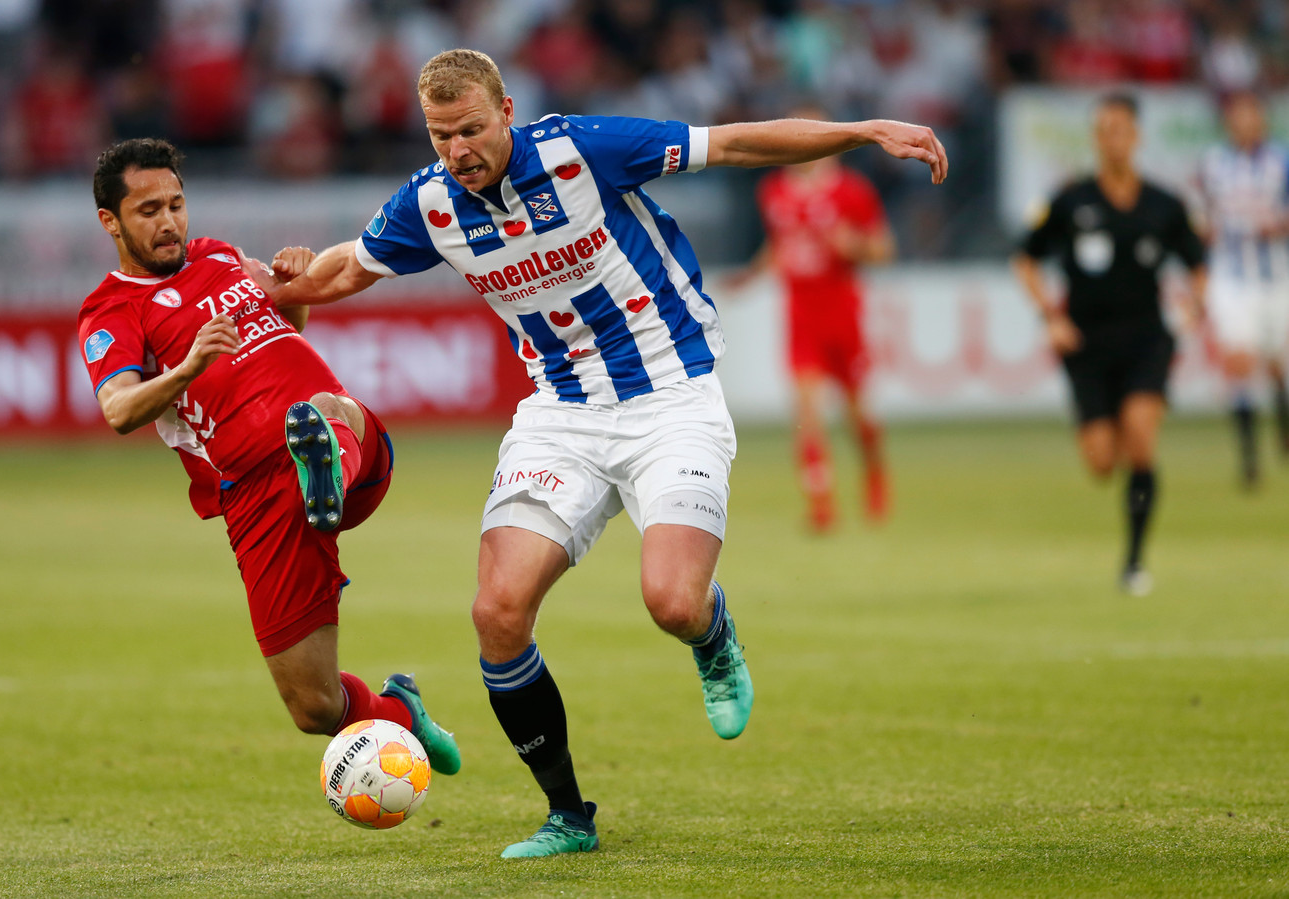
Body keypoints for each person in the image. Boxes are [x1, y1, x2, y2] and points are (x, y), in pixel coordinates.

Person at [248, 48, 946, 858]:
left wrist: (862, 130)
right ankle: (567, 815)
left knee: (672, 602)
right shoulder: (431, 203)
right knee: (497, 612)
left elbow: (738, 142)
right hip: (561, 415)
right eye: (441, 136)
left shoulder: (583, 149)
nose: (458, 151)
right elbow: (343, 271)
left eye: (471, 129)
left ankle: (713, 636)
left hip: (670, 396)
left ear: (507, 109)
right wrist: (289, 278)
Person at [78, 137, 461, 777]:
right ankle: (402, 713)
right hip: (255, 496)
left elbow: (290, 320)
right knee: (313, 704)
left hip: (345, 443)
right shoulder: (111, 310)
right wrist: (190, 365)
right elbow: (118, 410)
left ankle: (325, 461)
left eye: (176, 204)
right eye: (148, 211)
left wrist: (293, 286)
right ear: (110, 222)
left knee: (322, 408)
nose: (169, 221)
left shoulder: (220, 255)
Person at [1012, 93, 1206, 597]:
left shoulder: (1165, 204)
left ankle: (1135, 562)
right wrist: (1049, 316)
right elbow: (1025, 260)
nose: (1111, 138)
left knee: (1141, 435)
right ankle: (1120, 447)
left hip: (1146, 338)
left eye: (1119, 128)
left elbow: (1198, 263)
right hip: (1086, 344)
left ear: (1136, 136)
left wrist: (1194, 305)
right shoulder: (1071, 200)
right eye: (1102, 130)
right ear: (1095, 139)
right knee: (1102, 462)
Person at [733, 103, 895, 531]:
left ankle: (875, 473)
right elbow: (780, 245)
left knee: (857, 412)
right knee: (806, 412)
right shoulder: (774, 191)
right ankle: (821, 503)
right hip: (801, 316)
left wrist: (853, 246)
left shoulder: (852, 191)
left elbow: (883, 250)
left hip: (842, 315)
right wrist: (750, 276)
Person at [1195, 90, 1289, 489]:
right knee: (1238, 362)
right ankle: (1249, 460)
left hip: (1278, 277)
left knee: (1278, 366)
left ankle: (1283, 432)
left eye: (1251, 115)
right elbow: (1201, 215)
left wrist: (1279, 225)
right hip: (1231, 279)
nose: (1244, 123)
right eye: (1237, 116)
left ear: (1262, 121)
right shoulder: (1213, 164)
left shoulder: (1281, 161)